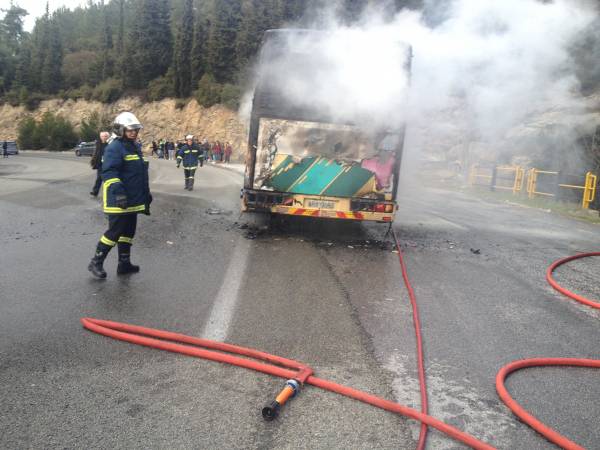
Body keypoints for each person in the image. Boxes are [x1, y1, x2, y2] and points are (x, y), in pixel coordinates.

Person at [87, 112, 152, 279]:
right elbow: (109, 172)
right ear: (120, 130)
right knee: (114, 232)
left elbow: (139, 174)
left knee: (129, 232)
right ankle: (96, 261)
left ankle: (124, 263)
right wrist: (119, 193)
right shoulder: (114, 147)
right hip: (119, 199)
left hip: (133, 199)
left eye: (135, 130)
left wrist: (146, 194)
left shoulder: (133, 146)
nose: (133, 133)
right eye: (130, 130)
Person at [90, 131, 110, 196]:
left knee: (108, 179)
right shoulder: (98, 144)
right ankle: (95, 192)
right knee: (99, 178)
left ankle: (110, 193)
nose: (103, 137)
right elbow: (95, 153)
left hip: (108, 164)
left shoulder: (110, 144)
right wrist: (93, 161)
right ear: (100, 137)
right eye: (102, 136)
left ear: (108, 137)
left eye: (105, 136)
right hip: (100, 164)